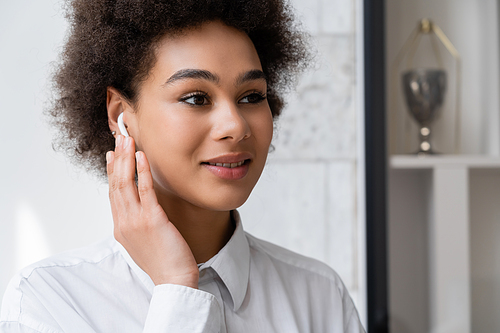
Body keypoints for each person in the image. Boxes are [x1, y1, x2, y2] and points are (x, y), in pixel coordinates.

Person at [0, 0, 365, 332]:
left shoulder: (320, 296)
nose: (235, 126)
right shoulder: (49, 303)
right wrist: (176, 285)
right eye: (196, 98)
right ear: (120, 115)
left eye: (251, 96)